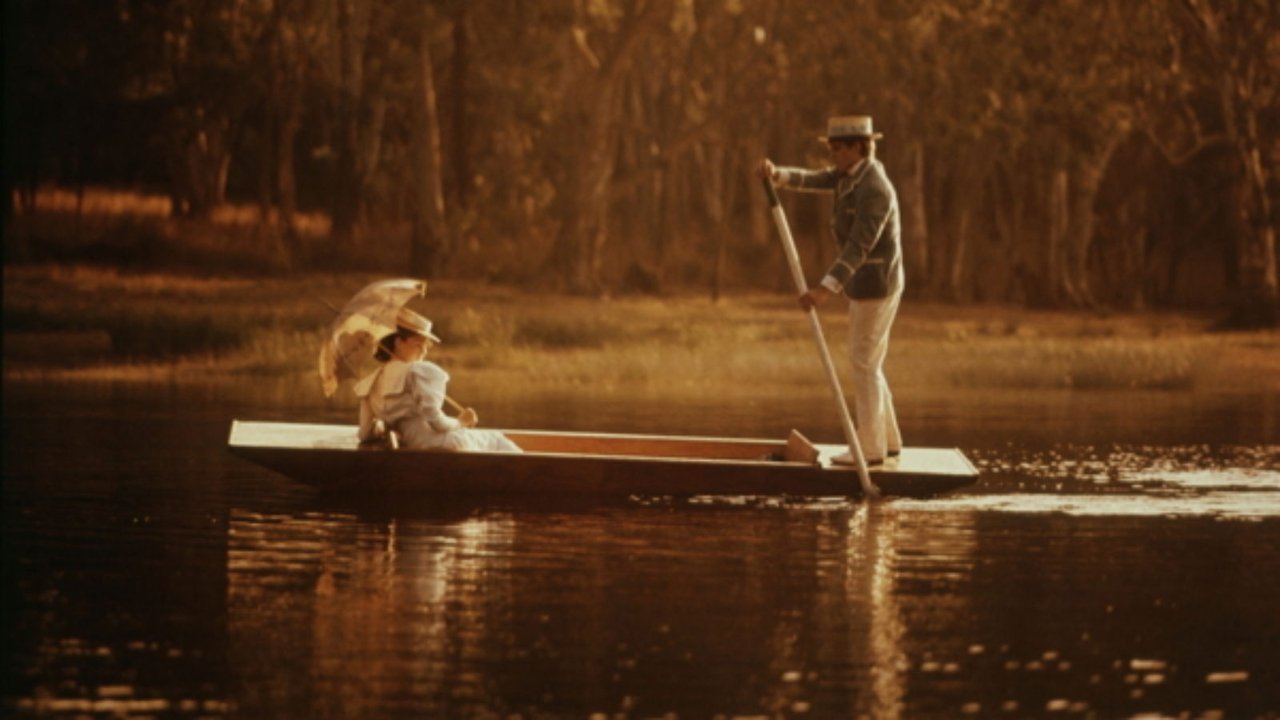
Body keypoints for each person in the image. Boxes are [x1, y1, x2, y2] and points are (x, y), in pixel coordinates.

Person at [757, 115, 903, 465]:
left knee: (863, 362)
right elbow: (815, 179)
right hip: (863, 285)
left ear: (857, 148)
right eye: (831, 148)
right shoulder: (849, 175)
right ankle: (889, 440)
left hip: (877, 284)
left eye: (837, 149)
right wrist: (778, 175)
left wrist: (823, 290)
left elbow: (858, 246)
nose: (832, 155)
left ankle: (870, 449)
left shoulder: (874, 188)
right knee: (869, 360)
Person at [355, 307, 521, 453]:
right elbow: (438, 424)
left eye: (426, 345)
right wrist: (461, 422)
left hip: (413, 447)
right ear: (399, 343)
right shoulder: (418, 372)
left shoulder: (371, 383)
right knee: (498, 440)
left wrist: (391, 427)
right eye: (419, 344)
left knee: (492, 440)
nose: (424, 351)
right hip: (443, 446)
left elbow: (364, 434)